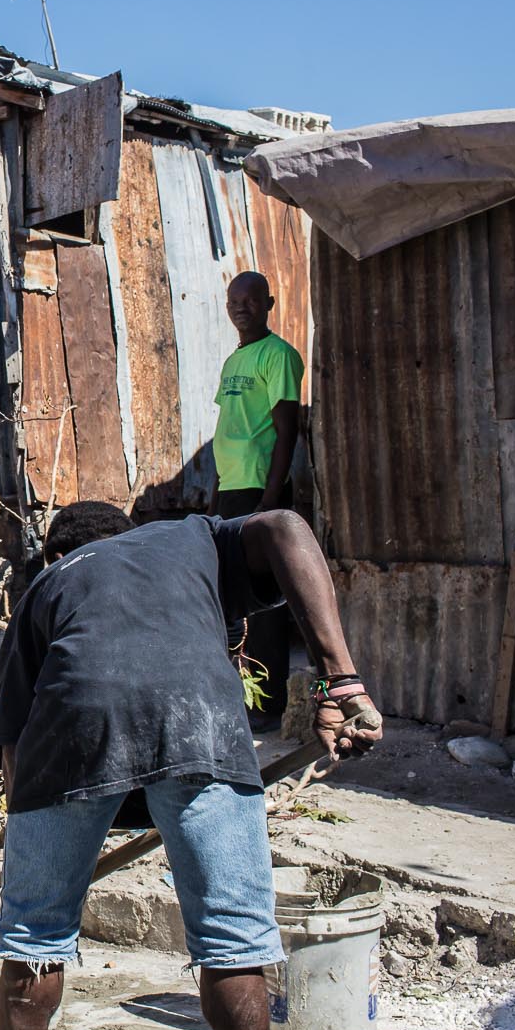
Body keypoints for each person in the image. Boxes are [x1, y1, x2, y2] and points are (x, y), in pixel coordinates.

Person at [0, 500, 381, 1030]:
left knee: (34, 933)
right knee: (235, 941)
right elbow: (289, 529)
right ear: (130, 536)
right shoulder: (190, 539)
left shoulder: (44, 593)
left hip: (72, 731)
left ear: (57, 555)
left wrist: (44, 862)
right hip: (199, 718)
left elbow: (18, 759)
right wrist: (342, 678)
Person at [212, 271, 305, 725]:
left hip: (259, 490)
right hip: (231, 490)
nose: (240, 307)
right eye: (234, 300)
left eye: (250, 300)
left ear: (268, 303)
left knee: (265, 600)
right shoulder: (234, 361)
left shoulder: (279, 355)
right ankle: (240, 696)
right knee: (231, 596)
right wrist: (214, 498)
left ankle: (268, 705)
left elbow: (288, 432)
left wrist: (270, 500)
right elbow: (227, 431)